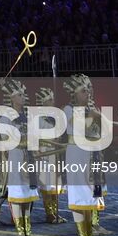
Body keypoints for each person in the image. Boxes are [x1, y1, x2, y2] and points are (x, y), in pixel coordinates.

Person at [63, 74, 107, 236]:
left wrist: (99, 118)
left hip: (92, 156)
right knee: (80, 198)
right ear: (74, 93)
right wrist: (94, 117)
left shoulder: (92, 109)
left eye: (88, 89)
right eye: (83, 90)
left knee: (90, 199)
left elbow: (103, 132)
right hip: (77, 156)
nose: (87, 92)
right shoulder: (68, 109)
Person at [2, 80, 43, 236]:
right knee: (18, 196)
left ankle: (28, 232)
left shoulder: (26, 116)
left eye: (23, 94)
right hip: (16, 156)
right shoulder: (7, 117)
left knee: (28, 197)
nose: (23, 97)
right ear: (12, 98)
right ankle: (20, 234)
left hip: (28, 156)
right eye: (19, 94)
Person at [33, 86, 66, 224]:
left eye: (53, 99)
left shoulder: (54, 117)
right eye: (50, 100)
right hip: (44, 153)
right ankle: (49, 213)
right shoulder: (38, 118)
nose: (53, 102)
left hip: (55, 153)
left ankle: (55, 211)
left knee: (55, 185)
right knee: (47, 184)